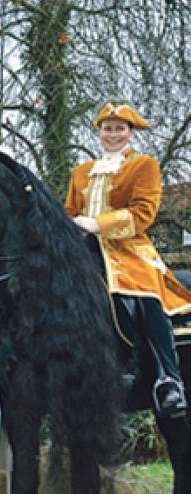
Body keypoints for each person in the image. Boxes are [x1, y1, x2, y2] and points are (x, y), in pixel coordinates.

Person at [64, 101, 191, 419]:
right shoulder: (80, 173)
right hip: (84, 249)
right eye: (108, 128)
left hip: (130, 249)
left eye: (120, 128)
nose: (113, 134)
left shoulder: (144, 166)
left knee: (146, 297)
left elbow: (143, 212)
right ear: (99, 132)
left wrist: (98, 224)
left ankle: (167, 379)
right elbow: (68, 212)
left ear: (130, 133)